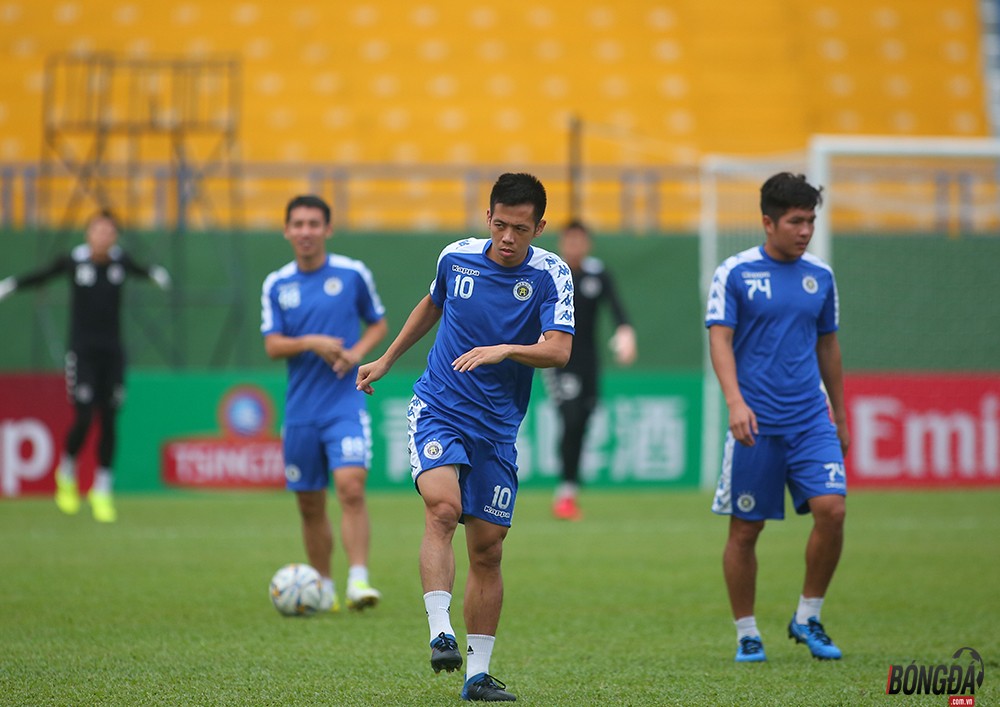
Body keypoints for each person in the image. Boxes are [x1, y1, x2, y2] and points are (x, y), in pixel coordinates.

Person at [356, 173, 574, 702]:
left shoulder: (551, 275)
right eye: (499, 224)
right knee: (443, 510)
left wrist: (505, 349)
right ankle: (440, 631)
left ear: (539, 227)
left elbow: (558, 350)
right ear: (488, 218)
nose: (507, 238)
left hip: (498, 429)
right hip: (439, 408)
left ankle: (477, 675)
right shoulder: (456, 258)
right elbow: (433, 304)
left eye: (520, 229)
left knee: (489, 550)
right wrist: (387, 359)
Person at [705, 172, 849, 663]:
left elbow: (828, 346)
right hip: (756, 424)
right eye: (795, 221)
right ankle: (747, 630)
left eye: (810, 220)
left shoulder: (821, 277)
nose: (805, 230)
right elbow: (719, 339)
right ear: (768, 222)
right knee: (746, 531)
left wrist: (842, 415)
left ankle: (808, 615)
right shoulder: (736, 272)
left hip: (811, 419)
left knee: (833, 510)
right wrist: (735, 402)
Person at [0, 210, 171, 522]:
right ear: (88, 234)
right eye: (98, 231)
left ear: (114, 237)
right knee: (83, 415)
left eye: (109, 232)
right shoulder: (74, 262)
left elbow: (141, 269)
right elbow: (43, 275)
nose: (104, 237)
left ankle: (102, 489)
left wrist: (156, 274)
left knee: (109, 419)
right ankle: (67, 471)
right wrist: (11, 284)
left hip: (113, 354)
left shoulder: (120, 262)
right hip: (83, 354)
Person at [261, 195, 388, 613]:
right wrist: (309, 342)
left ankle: (358, 580)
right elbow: (272, 345)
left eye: (314, 223)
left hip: (344, 405)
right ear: (286, 231)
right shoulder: (277, 283)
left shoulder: (353, 275)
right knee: (309, 502)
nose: (305, 231)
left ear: (327, 230)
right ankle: (323, 588)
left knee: (351, 487)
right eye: (297, 223)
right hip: (300, 412)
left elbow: (379, 322)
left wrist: (358, 353)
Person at [544, 220, 636, 521]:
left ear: (588, 244)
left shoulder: (598, 273)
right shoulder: (552, 273)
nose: (574, 246)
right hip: (559, 361)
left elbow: (618, 309)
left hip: (589, 363)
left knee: (582, 423)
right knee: (570, 418)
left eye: (580, 241)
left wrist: (625, 335)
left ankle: (569, 491)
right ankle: (564, 494)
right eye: (569, 241)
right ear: (562, 243)